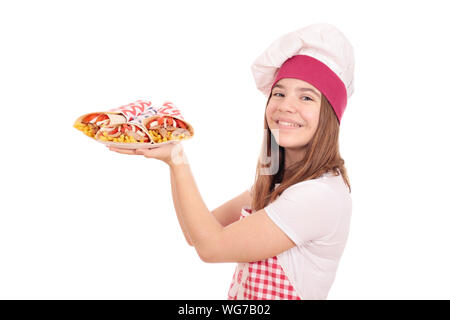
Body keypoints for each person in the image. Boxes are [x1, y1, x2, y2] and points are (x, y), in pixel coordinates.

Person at [107, 22, 355, 300]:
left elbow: (210, 247)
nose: (286, 105)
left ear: (330, 117)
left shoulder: (317, 195)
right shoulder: (281, 183)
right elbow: (197, 234)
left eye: (307, 97)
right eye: (279, 93)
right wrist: (170, 154)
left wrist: (178, 160)